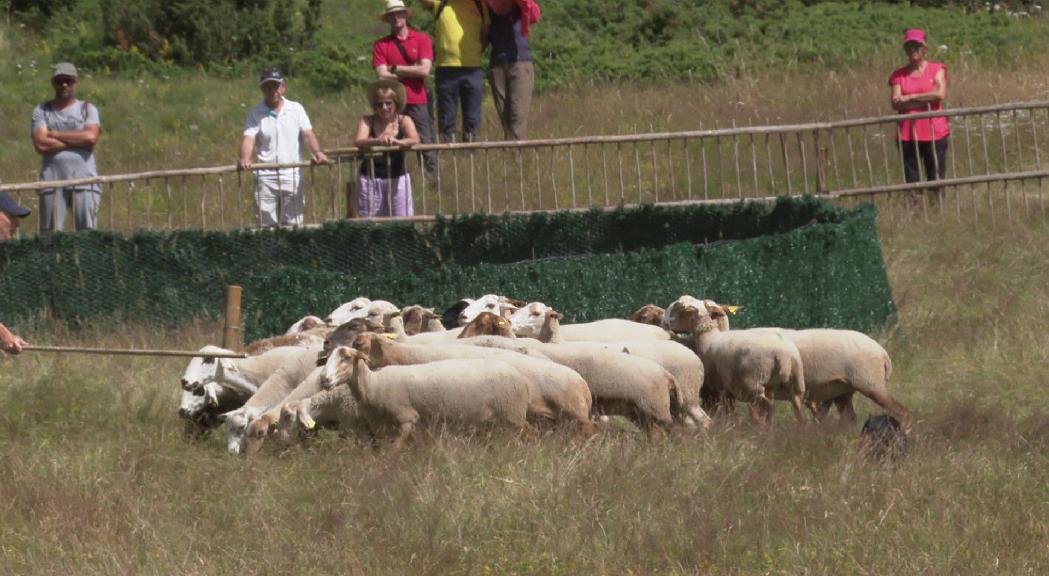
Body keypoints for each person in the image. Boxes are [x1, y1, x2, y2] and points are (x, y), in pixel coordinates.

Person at [238, 67, 329, 228]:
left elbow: (308, 134)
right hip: (265, 176)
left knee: (293, 226)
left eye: (275, 85)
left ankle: (291, 253)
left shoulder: (296, 109)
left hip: (292, 174)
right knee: (265, 226)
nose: (272, 90)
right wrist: (245, 158)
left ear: (283, 87)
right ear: (262, 89)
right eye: (268, 86)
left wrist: (318, 152)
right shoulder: (255, 113)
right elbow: (249, 138)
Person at [31, 62, 102, 234]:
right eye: (60, 81)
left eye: (68, 81)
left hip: (85, 181)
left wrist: (55, 134)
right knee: (50, 237)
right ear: (53, 83)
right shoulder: (42, 110)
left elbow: (91, 138)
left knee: (88, 235)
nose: (64, 85)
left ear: (75, 83)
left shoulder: (87, 109)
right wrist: (78, 139)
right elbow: (40, 143)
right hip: (52, 182)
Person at [373, 0, 437, 175]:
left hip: (418, 99)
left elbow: (425, 70)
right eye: (391, 14)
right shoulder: (381, 45)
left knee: (426, 142)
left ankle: (431, 182)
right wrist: (412, 71)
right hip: (391, 102)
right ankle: (395, 177)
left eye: (399, 13)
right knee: (390, 141)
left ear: (405, 15)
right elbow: (381, 75)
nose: (396, 17)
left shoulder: (422, 39)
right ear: (387, 19)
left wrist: (397, 69)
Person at [889, 28, 949, 200]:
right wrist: (926, 100)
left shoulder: (937, 68)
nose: (913, 49)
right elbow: (895, 102)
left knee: (936, 176)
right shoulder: (898, 75)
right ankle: (915, 212)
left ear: (925, 48)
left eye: (916, 45)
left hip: (934, 131)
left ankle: (937, 211)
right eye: (909, 46)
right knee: (912, 178)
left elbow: (939, 94)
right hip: (907, 133)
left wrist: (911, 98)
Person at [420, 0, 489, 143]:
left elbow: (485, 35)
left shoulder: (480, 5)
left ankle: (470, 154)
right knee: (447, 116)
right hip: (446, 68)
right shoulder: (441, 2)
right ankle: (448, 155)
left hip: (473, 68)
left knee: (472, 117)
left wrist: (473, 51)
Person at [354, 79, 420, 217]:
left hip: (398, 177)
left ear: (396, 104)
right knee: (370, 222)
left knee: (402, 221)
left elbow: (414, 139)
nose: (384, 107)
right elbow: (359, 141)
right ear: (375, 106)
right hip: (370, 178)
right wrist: (378, 140)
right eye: (379, 104)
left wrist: (397, 142)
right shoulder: (367, 120)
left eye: (388, 103)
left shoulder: (404, 120)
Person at [485, 0, 539, 140]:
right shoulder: (486, 10)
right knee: (505, 117)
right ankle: (511, 155)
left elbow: (535, 15)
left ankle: (515, 157)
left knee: (518, 115)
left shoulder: (521, 8)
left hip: (520, 63)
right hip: (497, 64)